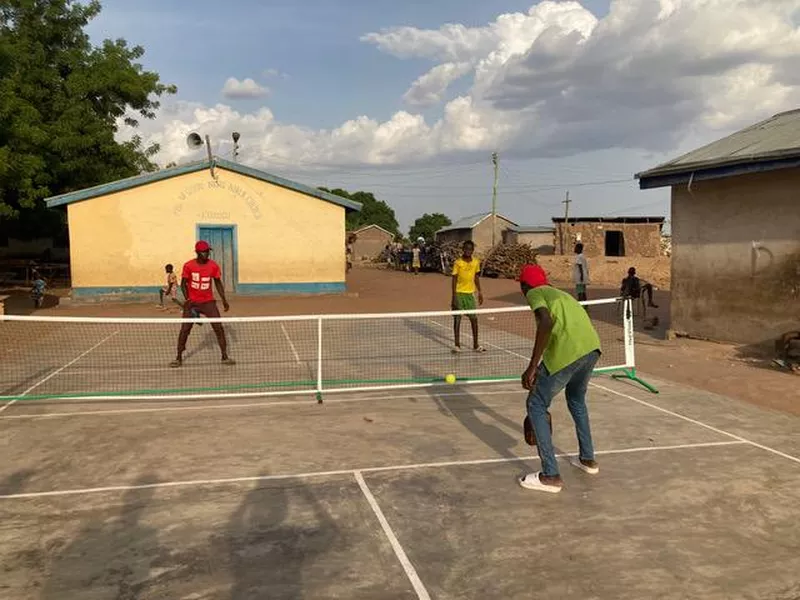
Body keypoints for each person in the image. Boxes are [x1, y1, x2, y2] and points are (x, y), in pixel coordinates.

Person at [517, 263, 602, 494]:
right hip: (592, 349)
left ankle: (551, 476)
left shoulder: (535, 293)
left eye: (522, 286)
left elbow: (545, 321)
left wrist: (532, 366)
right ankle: (588, 460)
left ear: (525, 285)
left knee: (535, 404)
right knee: (576, 400)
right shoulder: (561, 293)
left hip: (568, 353)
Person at [170, 241, 235, 367]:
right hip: (192, 303)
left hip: (208, 302)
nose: (206, 254)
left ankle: (224, 356)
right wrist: (188, 299)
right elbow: (183, 284)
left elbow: (218, 283)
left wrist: (224, 299)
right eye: (204, 252)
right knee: (184, 330)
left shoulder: (213, 266)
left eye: (208, 251)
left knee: (218, 328)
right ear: (197, 252)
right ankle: (178, 357)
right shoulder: (188, 266)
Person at [451, 240, 485, 353]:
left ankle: (476, 345)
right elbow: (454, 279)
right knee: (457, 319)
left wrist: (480, 292)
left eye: (470, 249)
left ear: (472, 250)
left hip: (470, 294)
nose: (468, 251)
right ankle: (457, 345)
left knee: (474, 319)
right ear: (463, 250)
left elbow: (476, 277)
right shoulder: (458, 263)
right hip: (459, 293)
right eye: (466, 249)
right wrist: (454, 296)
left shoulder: (476, 262)